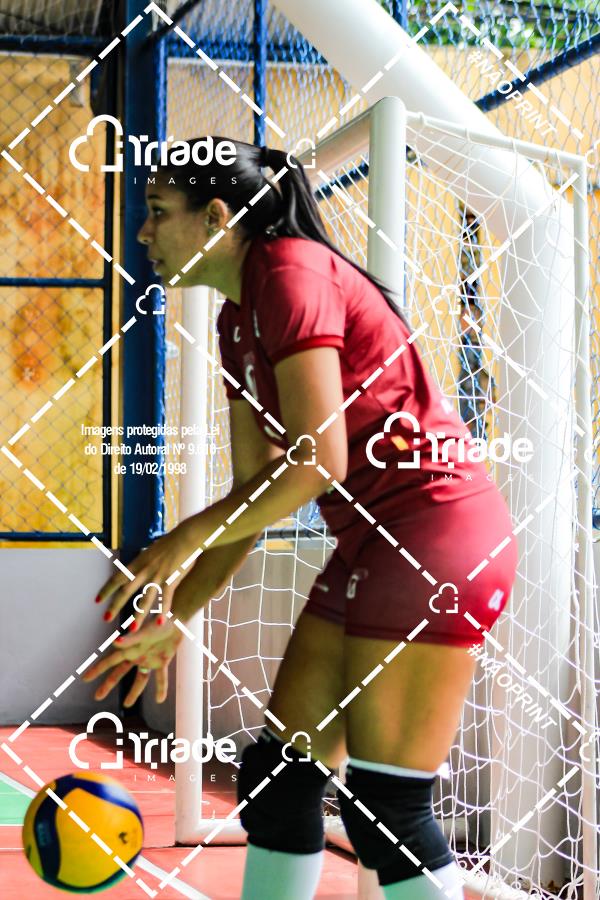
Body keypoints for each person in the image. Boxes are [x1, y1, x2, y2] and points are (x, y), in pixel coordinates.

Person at [83, 138, 518, 899]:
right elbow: (255, 494)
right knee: (279, 780)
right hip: (370, 548)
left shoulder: (291, 272)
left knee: (386, 811)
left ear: (217, 217)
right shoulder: (236, 321)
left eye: (157, 211)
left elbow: (318, 462)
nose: (143, 233)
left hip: (435, 535)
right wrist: (176, 615)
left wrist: (181, 539)